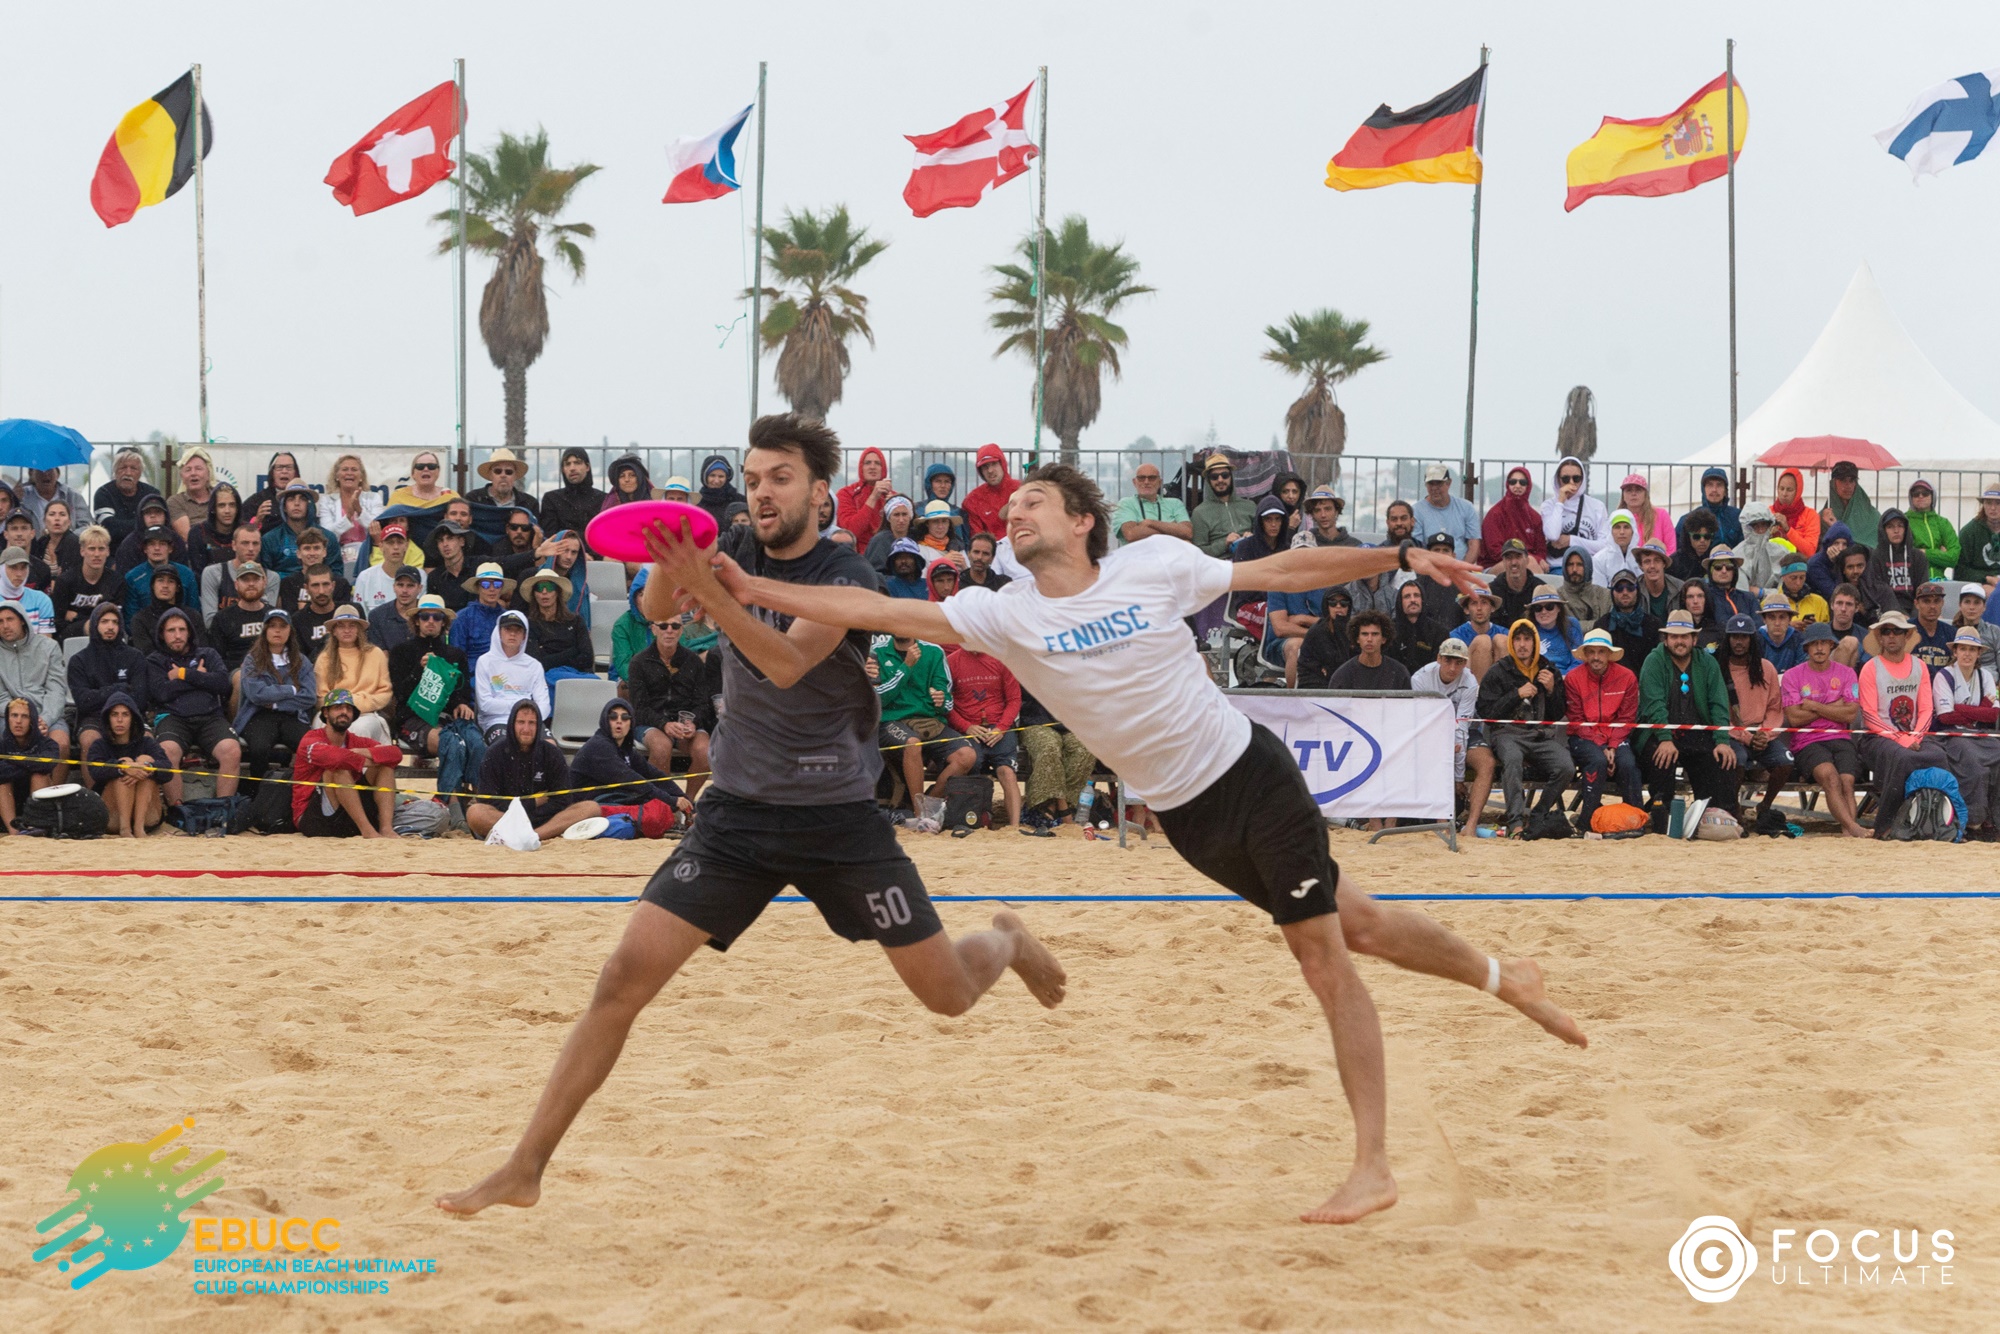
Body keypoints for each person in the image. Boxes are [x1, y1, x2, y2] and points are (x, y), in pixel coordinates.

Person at [659, 438, 1584, 1221]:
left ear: (1081, 522)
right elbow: (873, 608)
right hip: (1184, 819)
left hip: (1249, 777)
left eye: (1033, 502)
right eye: (1008, 504)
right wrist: (750, 587)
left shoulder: (1158, 565)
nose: (1012, 514)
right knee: (1365, 925)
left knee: (1321, 952)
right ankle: (1509, 978)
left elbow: (1282, 570)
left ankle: (1373, 1163)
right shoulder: (1003, 611)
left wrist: (1398, 558)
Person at [435, 422, 1080, 1220]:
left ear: (819, 492)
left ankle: (1007, 940)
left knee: (946, 994)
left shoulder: (843, 572)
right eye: (752, 477)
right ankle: (524, 1167)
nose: (761, 491)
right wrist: (677, 564)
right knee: (620, 980)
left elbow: (783, 664)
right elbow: (656, 601)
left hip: (839, 817)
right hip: (737, 813)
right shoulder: (732, 540)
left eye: (780, 477)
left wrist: (711, 588)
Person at [1636, 610, 1739, 832]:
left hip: (1697, 731)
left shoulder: (1708, 663)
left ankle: (1718, 816)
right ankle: (1661, 818)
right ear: (1666, 639)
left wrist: (1722, 740)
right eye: (1674, 636)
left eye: (1684, 636)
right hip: (1658, 731)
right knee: (1662, 756)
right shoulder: (1653, 661)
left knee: (1721, 758)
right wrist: (1665, 738)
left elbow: (1719, 703)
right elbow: (1654, 705)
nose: (1679, 641)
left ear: (1694, 639)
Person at [1855, 610, 1953, 837]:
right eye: (1886, 631)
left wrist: (1915, 737)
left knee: (1939, 756)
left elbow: (1927, 709)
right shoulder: (1870, 668)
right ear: (1879, 637)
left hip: (1914, 735)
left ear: (1906, 636)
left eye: (1897, 631)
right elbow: (1869, 716)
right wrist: (1901, 739)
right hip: (1876, 737)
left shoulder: (1920, 667)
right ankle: (1886, 825)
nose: (1891, 636)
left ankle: (1941, 820)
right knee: (1902, 758)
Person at [1475, 619, 1573, 833]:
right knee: (1512, 759)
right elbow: (1485, 711)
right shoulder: (1498, 671)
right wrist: (1515, 695)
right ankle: (1516, 823)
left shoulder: (1549, 669)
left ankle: (1539, 813)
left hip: (1539, 735)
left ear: (1535, 642)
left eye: (1527, 639)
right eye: (1517, 639)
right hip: (1506, 734)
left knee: (1566, 766)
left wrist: (1551, 690)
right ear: (1511, 642)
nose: (1522, 644)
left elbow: (1558, 713)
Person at [871, 630, 974, 824]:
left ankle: (929, 802)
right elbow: (879, 699)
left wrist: (941, 700)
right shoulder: (876, 652)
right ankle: (921, 815)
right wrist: (906, 666)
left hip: (929, 721)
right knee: (912, 743)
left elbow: (947, 700)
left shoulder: (934, 651)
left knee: (966, 756)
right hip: (891, 721)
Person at [462, 697, 600, 840]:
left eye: (532, 723)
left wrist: (535, 814)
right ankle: (523, 833)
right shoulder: (495, 753)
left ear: (539, 726)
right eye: (521, 722)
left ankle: (534, 836)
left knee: (591, 807)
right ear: (512, 724)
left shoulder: (551, 753)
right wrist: (532, 803)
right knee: (475, 812)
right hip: (507, 819)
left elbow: (563, 800)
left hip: (546, 822)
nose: (526, 729)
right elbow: (489, 800)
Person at [387, 594, 483, 798]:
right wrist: (418, 671)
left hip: (446, 716)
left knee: (476, 742)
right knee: (451, 743)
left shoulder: (455, 654)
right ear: (416, 621)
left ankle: (477, 796)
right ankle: (449, 801)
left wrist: (462, 703)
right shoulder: (401, 651)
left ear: (444, 622)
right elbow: (400, 694)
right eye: (425, 616)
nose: (431, 621)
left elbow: (462, 692)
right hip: (412, 718)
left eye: (437, 617)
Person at [145, 607, 241, 804]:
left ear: (189, 632)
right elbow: (161, 692)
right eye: (171, 631)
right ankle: (178, 811)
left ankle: (222, 811)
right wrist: (201, 677)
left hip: (210, 717)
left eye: (182, 629)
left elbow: (223, 684)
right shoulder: (155, 660)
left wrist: (183, 675)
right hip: (172, 718)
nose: (177, 635)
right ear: (162, 635)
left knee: (232, 750)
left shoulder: (208, 654)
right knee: (167, 751)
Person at [1779, 623, 1867, 837]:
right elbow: (1794, 718)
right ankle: (1854, 827)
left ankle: (1848, 830)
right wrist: (1834, 707)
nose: (1819, 648)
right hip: (1807, 741)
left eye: (1824, 643)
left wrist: (1815, 706)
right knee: (1831, 778)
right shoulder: (1792, 676)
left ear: (1831, 646)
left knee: (1847, 782)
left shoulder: (1846, 673)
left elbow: (1850, 714)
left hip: (1840, 737)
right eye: (1814, 644)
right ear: (1806, 648)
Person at [1412, 638, 1496, 839]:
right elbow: (1425, 722)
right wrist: (1452, 761)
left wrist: (1459, 777)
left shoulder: (1469, 681)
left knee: (1487, 763)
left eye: (1459, 662)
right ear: (1439, 658)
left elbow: (1462, 727)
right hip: (1430, 731)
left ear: (1465, 663)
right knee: (1438, 755)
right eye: (1448, 660)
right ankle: (1442, 824)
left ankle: (1471, 826)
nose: (1452, 667)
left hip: (1461, 731)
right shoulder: (1420, 679)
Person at [293, 688, 401, 839]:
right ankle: (368, 831)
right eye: (338, 707)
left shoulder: (355, 740)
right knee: (337, 769)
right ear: (325, 713)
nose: (344, 712)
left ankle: (386, 829)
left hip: (348, 815)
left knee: (385, 767)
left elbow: (395, 754)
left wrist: (360, 752)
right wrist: (367, 758)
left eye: (348, 709)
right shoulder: (311, 739)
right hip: (313, 819)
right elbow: (337, 759)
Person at [1719, 614, 1795, 826]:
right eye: (1734, 636)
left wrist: (1765, 733)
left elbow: (1774, 707)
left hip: (1762, 734)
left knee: (1786, 761)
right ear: (1728, 639)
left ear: (1753, 639)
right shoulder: (1719, 670)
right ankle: (1734, 808)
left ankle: (1766, 805)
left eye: (1744, 637)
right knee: (1737, 760)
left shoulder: (1766, 668)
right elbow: (1720, 715)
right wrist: (1745, 737)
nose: (1739, 642)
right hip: (1733, 735)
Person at [1562, 627, 1640, 826]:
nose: (1596, 657)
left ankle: (1636, 819)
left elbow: (1627, 718)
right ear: (1585, 655)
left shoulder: (1627, 677)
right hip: (1583, 736)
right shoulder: (1573, 678)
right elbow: (1577, 719)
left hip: (1617, 736)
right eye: (1591, 652)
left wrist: (1613, 744)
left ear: (1609, 654)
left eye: (1601, 651)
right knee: (1596, 761)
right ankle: (1587, 820)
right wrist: (1601, 746)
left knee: (1628, 764)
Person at [946, 638, 1024, 827]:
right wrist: (966, 727)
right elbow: (946, 705)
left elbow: (1014, 699)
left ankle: (1014, 827)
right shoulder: (951, 661)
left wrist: (1001, 728)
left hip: (999, 728)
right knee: (970, 766)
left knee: (1007, 772)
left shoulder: (1001, 659)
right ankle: (966, 818)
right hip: (969, 730)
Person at [568, 698, 691, 817]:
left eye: (625, 717)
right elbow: (634, 782)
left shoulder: (625, 749)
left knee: (654, 804)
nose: (619, 721)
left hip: (604, 798)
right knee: (652, 809)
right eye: (613, 717)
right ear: (605, 721)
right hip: (580, 807)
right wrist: (672, 801)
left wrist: (684, 800)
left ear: (631, 723)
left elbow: (655, 775)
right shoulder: (599, 746)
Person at [67, 604, 147, 787]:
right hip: (93, 717)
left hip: (130, 715)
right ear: (95, 624)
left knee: (148, 740)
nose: (110, 627)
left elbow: (141, 699)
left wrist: (101, 694)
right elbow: (83, 701)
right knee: (89, 739)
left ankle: (133, 793)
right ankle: (93, 798)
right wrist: (119, 689)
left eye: (115, 622)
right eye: (104, 622)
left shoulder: (135, 657)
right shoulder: (79, 660)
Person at [233, 609, 317, 779]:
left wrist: (277, 703)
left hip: (292, 716)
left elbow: (309, 696)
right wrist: (292, 689)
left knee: (309, 745)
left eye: (282, 626)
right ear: (265, 631)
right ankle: (258, 795)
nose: (277, 631)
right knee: (259, 748)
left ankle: (303, 792)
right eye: (272, 626)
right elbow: (257, 695)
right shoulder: (252, 659)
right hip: (258, 715)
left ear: (290, 631)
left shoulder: (301, 661)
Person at [1934, 627, 2000, 839]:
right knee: (1974, 766)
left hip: (1977, 734)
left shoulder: (1986, 676)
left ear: (1979, 653)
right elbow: (1945, 717)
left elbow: (1994, 714)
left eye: (1972, 649)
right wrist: (1979, 710)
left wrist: (1960, 708)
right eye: (1963, 648)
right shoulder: (1944, 676)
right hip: (1950, 736)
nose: (1967, 654)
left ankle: (1994, 817)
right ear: (1955, 652)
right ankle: (1974, 820)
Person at [0, 603, 69, 778]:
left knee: (60, 743)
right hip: (7, 716)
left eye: (10, 619)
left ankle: (56, 799)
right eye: (0, 621)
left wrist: (44, 719)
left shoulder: (49, 647)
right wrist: (20, 717)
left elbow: (56, 689)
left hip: (46, 714)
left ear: (22, 620)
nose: (5, 626)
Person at [89, 693, 168, 836]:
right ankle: (125, 829)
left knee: (145, 764)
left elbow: (168, 770)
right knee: (124, 768)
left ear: (133, 718)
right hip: (113, 817)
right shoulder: (99, 745)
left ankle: (138, 828)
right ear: (108, 718)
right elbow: (95, 770)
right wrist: (122, 767)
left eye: (125, 715)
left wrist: (145, 768)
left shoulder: (147, 743)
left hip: (148, 817)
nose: (120, 720)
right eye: (114, 715)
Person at [315, 606, 395, 742]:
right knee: (320, 726)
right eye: (341, 626)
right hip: (333, 714)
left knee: (359, 729)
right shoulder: (324, 658)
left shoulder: (375, 654)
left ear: (359, 629)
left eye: (352, 625)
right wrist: (340, 708)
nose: (347, 630)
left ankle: (359, 763)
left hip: (366, 713)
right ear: (333, 631)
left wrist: (355, 706)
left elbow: (385, 693)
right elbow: (321, 697)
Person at [474, 609, 550, 740]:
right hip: (496, 721)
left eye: (518, 630)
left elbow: (544, 704)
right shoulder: (484, 661)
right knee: (504, 746)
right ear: (499, 632)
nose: (513, 634)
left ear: (524, 636)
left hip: (529, 721)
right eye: (508, 629)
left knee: (550, 745)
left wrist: (529, 718)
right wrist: (521, 707)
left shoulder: (534, 665)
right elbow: (485, 705)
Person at [521, 570, 596, 682]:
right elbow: (537, 663)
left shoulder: (576, 621)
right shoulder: (530, 624)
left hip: (579, 674)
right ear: (534, 594)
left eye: (549, 587)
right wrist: (573, 651)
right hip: (546, 677)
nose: (544, 592)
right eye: (540, 588)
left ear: (557, 592)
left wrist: (550, 654)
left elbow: (588, 658)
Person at [0, 694, 61, 830]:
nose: (18, 721)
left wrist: (12, 761)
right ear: (8, 718)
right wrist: (29, 764)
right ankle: (13, 831)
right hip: (8, 803)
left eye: (25, 716)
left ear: (33, 720)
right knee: (2, 783)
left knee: (39, 775)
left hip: (38, 802)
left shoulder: (48, 744)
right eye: (14, 715)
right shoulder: (2, 744)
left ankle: (35, 827)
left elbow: (47, 764)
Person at [317, 454, 383, 576]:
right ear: (337, 476)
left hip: (367, 553)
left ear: (361, 477)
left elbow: (377, 528)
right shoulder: (327, 501)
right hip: (337, 556)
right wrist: (348, 516)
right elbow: (327, 536)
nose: (349, 473)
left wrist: (359, 510)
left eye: (354, 470)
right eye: (345, 469)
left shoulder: (374, 498)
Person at [206, 561, 276, 672]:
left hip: (272, 669)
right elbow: (216, 659)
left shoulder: (275, 615)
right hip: (237, 671)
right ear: (236, 585)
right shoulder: (223, 618)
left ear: (264, 582)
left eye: (255, 579)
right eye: (245, 580)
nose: (251, 584)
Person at [53, 526, 120, 642]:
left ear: (108, 551)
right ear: (82, 551)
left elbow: (116, 620)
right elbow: (58, 624)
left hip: (107, 639)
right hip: (71, 640)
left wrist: (78, 618)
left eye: (101, 549)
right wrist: (87, 625)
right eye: (92, 549)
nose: (97, 554)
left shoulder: (116, 581)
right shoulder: (65, 581)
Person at [1323, 609, 1410, 692]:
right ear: (1357, 639)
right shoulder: (1342, 675)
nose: (1369, 639)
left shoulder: (1399, 672)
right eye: (1364, 634)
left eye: (1375, 634)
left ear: (1384, 639)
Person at [92, 448, 161, 549]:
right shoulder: (104, 493)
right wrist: (143, 524)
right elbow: (108, 527)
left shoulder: (151, 494)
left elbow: (158, 526)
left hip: (146, 549)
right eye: (123, 468)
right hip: (112, 551)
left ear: (140, 473)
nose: (128, 473)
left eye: (133, 468)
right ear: (115, 471)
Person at [1542, 456, 1608, 558]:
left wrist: (1571, 540)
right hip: (1557, 565)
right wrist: (1560, 502)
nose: (1571, 483)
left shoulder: (1597, 506)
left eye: (1576, 478)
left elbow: (1604, 545)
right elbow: (1553, 535)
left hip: (1589, 565)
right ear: (1558, 480)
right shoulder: (1549, 505)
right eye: (1565, 479)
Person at [1113, 463, 1194, 548]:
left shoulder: (1175, 504)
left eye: (1152, 478)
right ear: (1134, 482)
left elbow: (1187, 532)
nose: (1146, 482)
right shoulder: (1126, 504)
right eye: (1141, 478)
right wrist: (1173, 530)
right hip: (1138, 557)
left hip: (1170, 557)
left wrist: (1149, 523)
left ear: (1159, 482)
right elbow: (1131, 534)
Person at [1190, 453, 1255, 557]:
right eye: (1214, 477)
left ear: (1231, 477)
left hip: (1251, 562)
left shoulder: (1250, 506)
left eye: (1225, 475)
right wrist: (1224, 543)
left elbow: (1266, 539)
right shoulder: (1199, 513)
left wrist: (1254, 538)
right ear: (1208, 481)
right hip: (1220, 566)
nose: (1220, 480)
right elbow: (1198, 552)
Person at [1481, 466, 1547, 568]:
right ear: (1508, 484)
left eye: (1522, 482)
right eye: (1513, 482)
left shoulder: (1535, 518)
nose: (1517, 485)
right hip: (1496, 564)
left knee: (1532, 563)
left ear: (1528, 486)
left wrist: (1537, 559)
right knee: (1530, 563)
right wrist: (1522, 559)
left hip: (1528, 564)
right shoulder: (1495, 514)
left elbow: (1541, 550)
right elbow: (1494, 551)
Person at [1412, 464, 1480, 561]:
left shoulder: (1467, 507)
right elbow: (1417, 548)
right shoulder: (1416, 511)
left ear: (1449, 483)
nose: (1434, 488)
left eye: (1439, 483)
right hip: (1429, 569)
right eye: (1431, 483)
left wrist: (1464, 569)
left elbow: (1474, 543)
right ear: (1426, 485)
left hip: (1461, 568)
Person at [199, 523, 263, 623]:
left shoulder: (270, 577)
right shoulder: (212, 573)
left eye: (255, 543)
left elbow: (267, 620)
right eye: (245, 543)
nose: (251, 548)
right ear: (234, 545)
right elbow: (210, 621)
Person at [130, 564, 197, 657]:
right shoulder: (140, 619)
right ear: (153, 586)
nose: (165, 586)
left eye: (171, 581)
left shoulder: (193, 616)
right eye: (160, 580)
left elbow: (200, 650)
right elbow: (147, 655)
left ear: (177, 587)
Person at [1294, 588, 1355, 688]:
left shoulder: (1355, 630)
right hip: (1317, 684)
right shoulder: (1317, 631)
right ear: (1327, 606)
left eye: (1344, 603)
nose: (1338, 606)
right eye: (1333, 603)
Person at [540, 448, 605, 542]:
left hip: (596, 554)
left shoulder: (603, 499)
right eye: (567, 464)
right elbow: (551, 536)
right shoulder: (552, 499)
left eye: (577, 463)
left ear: (587, 467)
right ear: (563, 469)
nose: (572, 468)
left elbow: (603, 535)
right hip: (563, 554)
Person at [451, 562, 515, 655]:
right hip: (472, 668)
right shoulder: (462, 617)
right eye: (485, 584)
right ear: (477, 588)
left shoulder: (508, 618)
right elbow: (456, 657)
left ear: (501, 588)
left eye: (497, 584)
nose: (492, 589)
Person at [351, 523, 417, 613]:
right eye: (390, 542)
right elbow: (359, 616)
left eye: (400, 542)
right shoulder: (365, 577)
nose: (396, 547)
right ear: (381, 546)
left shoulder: (419, 576)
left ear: (406, 545)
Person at [960, 444, 1018, 541]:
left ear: (1002, 464)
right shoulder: (972, 501)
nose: (990, 470)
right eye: (985, 466)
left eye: (994, 464)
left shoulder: (1022, 490)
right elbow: (977, 539)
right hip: (991, 552)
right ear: (980, 471)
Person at [1903, 479, 1958, 580]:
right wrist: (1940, 554)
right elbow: (1906, 555)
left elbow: (1953, 558)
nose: (1920, 496)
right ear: (1911, 498)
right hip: (1913, 582)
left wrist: (1924, 552)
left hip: (1940, 582)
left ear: (1933, 496)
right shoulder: (1904, 522)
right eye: (1916, 494)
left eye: (1925, 493)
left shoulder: (1943, 523)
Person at [1386, 579, 1445, 674]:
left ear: (1422, 600)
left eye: (1416, 595)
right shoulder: (1388, 631)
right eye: (1407, 596)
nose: (1412, 600)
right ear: (1400, 602)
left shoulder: (1439, 632)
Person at [1868, 509, 1920, 612]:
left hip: (1915, 610)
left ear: (1906, 529)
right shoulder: (1875, 556)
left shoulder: (1918, 556)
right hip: (1887, 610)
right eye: (1890, 526)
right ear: (1883, 530)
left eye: (1900, 526)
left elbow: (1921, 589)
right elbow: (1879, 591)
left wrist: (1915, 618)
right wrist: (1899, 614)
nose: (1896, 531)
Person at [0, 545, 57, 638]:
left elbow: (46, 643)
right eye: (13, 567)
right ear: (1, 569)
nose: (19, 574)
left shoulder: (41, 600)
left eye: (23, 568)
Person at [183, 484, 240, 576]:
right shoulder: (198, 533)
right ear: (213, 508)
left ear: (238, 508)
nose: (227, 510)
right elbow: (198, 574)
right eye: (222, 505)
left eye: (232, 505)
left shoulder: (245, 531)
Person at [466, 448, 537, 519]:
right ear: (490, 475)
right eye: (498, 471)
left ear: (515, 476)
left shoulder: (530, 503)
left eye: (509, 472)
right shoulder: (473, 499)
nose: (503, 475)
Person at [1821, 460, 1879, 548]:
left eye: (1852, 480)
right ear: (1833, 483)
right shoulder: (1822, 517)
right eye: (1843, 480)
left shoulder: (1872, 515)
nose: (1848, 486)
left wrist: (1836, 527)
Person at [18, 466, 91, 536]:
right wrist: (14, 499)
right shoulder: (23, 497)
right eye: (40, 470)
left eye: (49, 470)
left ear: (58, 474)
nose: (46, 474)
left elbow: (86, 526)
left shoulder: (72, 496)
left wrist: (66, 538)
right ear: (31, 474)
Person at [290, 564, 342, 659]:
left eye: (325, 584)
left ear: (333, 585)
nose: (321, 591)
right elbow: (300, 661)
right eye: (315, 585)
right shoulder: (298, 620)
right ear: (306, 588)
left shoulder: (347, 612)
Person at [1902, 581, 1955, 671]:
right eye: (1926, 601)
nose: (1932, 606)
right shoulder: (1904, 631)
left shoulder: (1952, 633)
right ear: (1916, 604)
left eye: (1937, 601)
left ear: (1942, 603)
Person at [1526, 585, 1581, 673]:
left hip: (1567, 679)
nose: (1544, 612)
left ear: (1559, 608)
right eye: (1538, 608)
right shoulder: (1527, 629)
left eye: (1549, 607)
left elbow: (1578, 661)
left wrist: (1564, 679)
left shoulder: (1572, 625)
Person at [367, 567, 424, 652]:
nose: (404, 590)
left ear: (420, 588)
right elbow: (378, 654)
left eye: (410, 585)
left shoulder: (429, 615)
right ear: (394, 587)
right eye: (400, 585)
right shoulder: (377, 616)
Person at [243, 451, 301, 532]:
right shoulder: (256, 501)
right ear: (272, 473)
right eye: (279, 468)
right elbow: (242, 532)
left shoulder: (304, 500)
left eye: (289, 467)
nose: (284, 471)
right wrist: (257, 521)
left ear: (296, 473)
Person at [1615, 474, 1673, 555]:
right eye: (1629, 490)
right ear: (1623, 495)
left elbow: (1671, 549)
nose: (1633, 494)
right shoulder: (1616, 518)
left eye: (1638, 490)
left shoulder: (1662, 515)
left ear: (1646, 494)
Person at [1487, 538, 1539, 626]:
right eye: (1508, 558)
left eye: (1518, 556)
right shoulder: (1492, 592)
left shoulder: (1539, 589)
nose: (1513, 562)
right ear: (1503, 562)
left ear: (1527, 560)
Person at [1701, 545, 1759, 622]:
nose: (1724, 571)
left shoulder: (1749, 598)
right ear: (1710, 572)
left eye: (1729, 567)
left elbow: (1759, 627)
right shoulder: (1704, 598)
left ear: (1734, 571)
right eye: (1718, 567)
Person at [425, 522, 475, 610]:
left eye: (450, 538)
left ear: (462, 541)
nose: (445, 544)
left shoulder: (478, 565)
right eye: (440, 540)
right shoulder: (434, 577)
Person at [1689, 466, 1743, 548]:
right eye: (1710, 485)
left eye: (1719, 485)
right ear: (1703, 489)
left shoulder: (1738, 517)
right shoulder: (1691, 519)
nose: (1714, 489)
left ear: (1725, 490)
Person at [1555, 546, 1610, 625]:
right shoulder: (1557, 597)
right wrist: (1597, 624)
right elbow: (1566, 626)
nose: (1574, 569)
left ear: (1588, 566)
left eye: (1579, 564)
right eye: (1570, 564)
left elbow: (1609, 624)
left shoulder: (1605, 595)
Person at [386, 451, 458, 509]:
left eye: (431, 466)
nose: (426, 469)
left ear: (438, 471)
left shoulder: (450, 496)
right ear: (413, 473)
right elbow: (389, 523)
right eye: (420, 466)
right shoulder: (399, 496)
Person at [864, 496, 916, 575]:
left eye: (904, 514)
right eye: (896, 515)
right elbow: (875, 573)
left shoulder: (917, 537)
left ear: (910, 516)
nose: (901, 520)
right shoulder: (879, 541)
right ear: (889, 518)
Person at [1952, 585, 2000, 671]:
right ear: (1960, 605)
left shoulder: (1995, 631)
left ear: (1984, 606)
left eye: (1977, 602)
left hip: (1991, 682)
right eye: (1967, 602)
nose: (1971, 607)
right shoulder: (1951, 632)